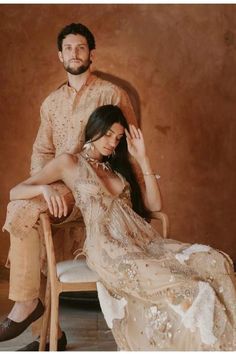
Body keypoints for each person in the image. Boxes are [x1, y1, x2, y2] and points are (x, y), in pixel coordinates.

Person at [3, 104, 236, 350]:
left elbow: (155, 204)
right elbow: (15, 191)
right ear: (94, 129)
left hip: (144, 241)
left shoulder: (120, 166)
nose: (113, 143)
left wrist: (143, 158)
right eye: (108, 135)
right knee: (185, 285)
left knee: (214, 261)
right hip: (108, 247)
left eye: (118, 138)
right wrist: (43, 188)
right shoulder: (69, 163)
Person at [0, 23, 137, 350]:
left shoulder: (110, 93)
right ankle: (49, 336)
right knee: (27, 218)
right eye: (68, 48)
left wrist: (131, 188)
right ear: (60, 55)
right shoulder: (51, 103)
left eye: (81, 48)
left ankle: (27, 309)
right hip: (58, 187)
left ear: (91, 53)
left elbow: (128, 142)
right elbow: (42, 152)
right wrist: (42, 187)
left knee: (21, 209)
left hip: (96, 185)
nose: (74, 53)